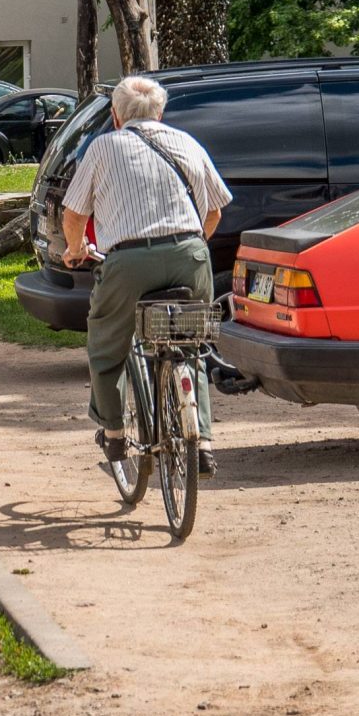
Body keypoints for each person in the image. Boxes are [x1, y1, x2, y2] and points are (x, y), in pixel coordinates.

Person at [59, 75, 230, 476]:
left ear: (116, 115)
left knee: (107, 345)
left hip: (129, 261)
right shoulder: (188, 143)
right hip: (191, 254)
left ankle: (115, 432)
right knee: (191, 345)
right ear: (160, 112)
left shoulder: (103, 147)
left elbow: (73, 214)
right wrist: (188, 244)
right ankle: (201, 439)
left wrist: (76, 249)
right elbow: (216, 211)